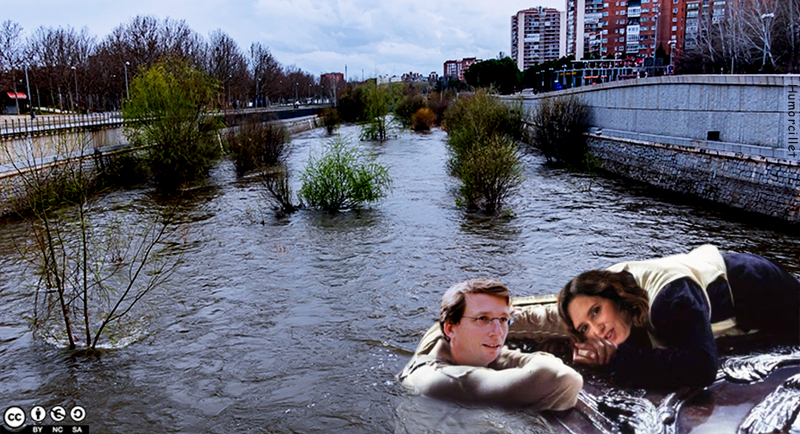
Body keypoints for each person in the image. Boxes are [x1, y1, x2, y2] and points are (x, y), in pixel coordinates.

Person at [557, 244, 800, 388]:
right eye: (584, 328)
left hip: (763, 289)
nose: (596, 329)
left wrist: (616, 361)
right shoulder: (605, 286)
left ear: (614, 296)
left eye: (596, 311)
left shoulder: (670, 301)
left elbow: (702, 367)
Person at [399, 278, 583, 410]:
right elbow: (563, 379)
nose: (498, 331)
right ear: (450, 328)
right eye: (482, 319)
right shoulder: (438, 382)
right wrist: (535, 355)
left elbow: (526, 318)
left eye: (503, 320)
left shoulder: (451, 335)